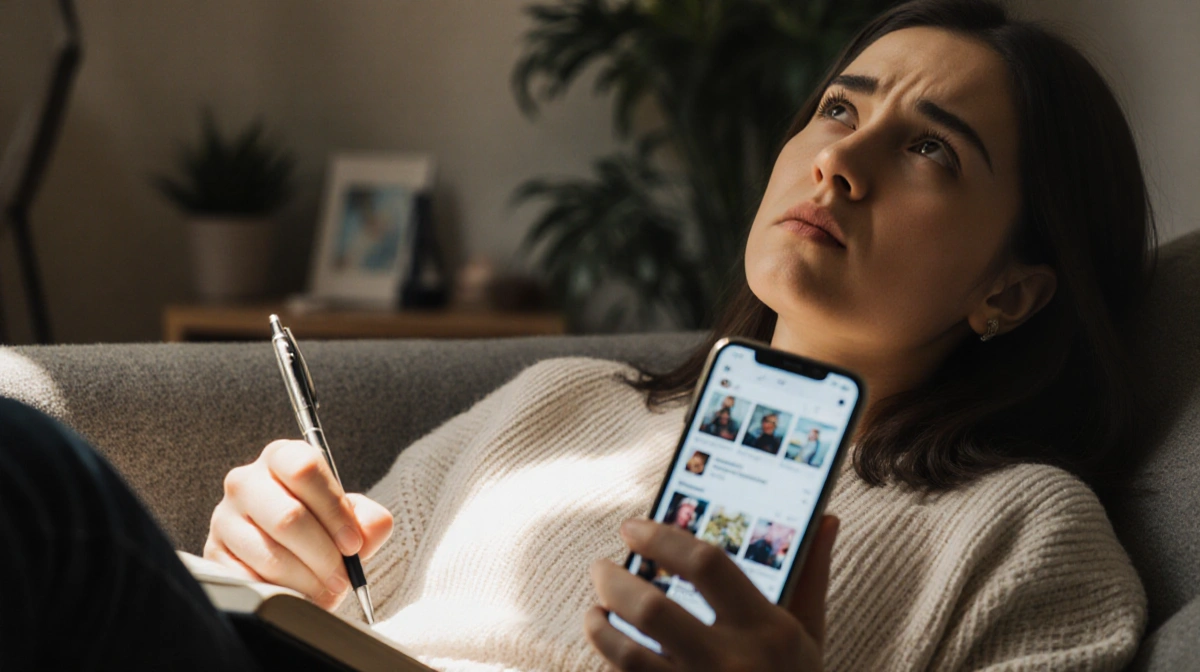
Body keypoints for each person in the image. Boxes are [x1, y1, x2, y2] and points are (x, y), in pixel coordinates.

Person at [0, 0, 1155, 670]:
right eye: (841, 107)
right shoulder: (562, 399)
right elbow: (362, 619)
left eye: (931, 149)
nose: (836, 161)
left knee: (34, 476)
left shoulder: (1028, 536)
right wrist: (293, 570)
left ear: (1013, 292)